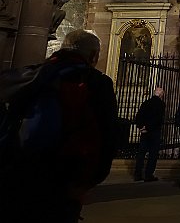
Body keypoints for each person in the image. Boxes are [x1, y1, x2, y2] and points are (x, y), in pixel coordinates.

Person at [0, 29, 117, 223]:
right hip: (63, 174)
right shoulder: (96, 82)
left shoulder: (29, 75)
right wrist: (89, 180)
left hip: (17, 171)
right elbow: (107, 135)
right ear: (94, 55)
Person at [134, 87, 166, 182]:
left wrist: (141, 127)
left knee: (141, 153)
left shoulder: (146, 103)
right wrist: (148, 127)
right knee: (153, 154)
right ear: (161, 95)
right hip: (154, 131)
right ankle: (148, 174)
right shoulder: (161, 104)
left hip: (145, 132)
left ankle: (138, 174)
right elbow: (157, 119)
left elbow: (139, 116)